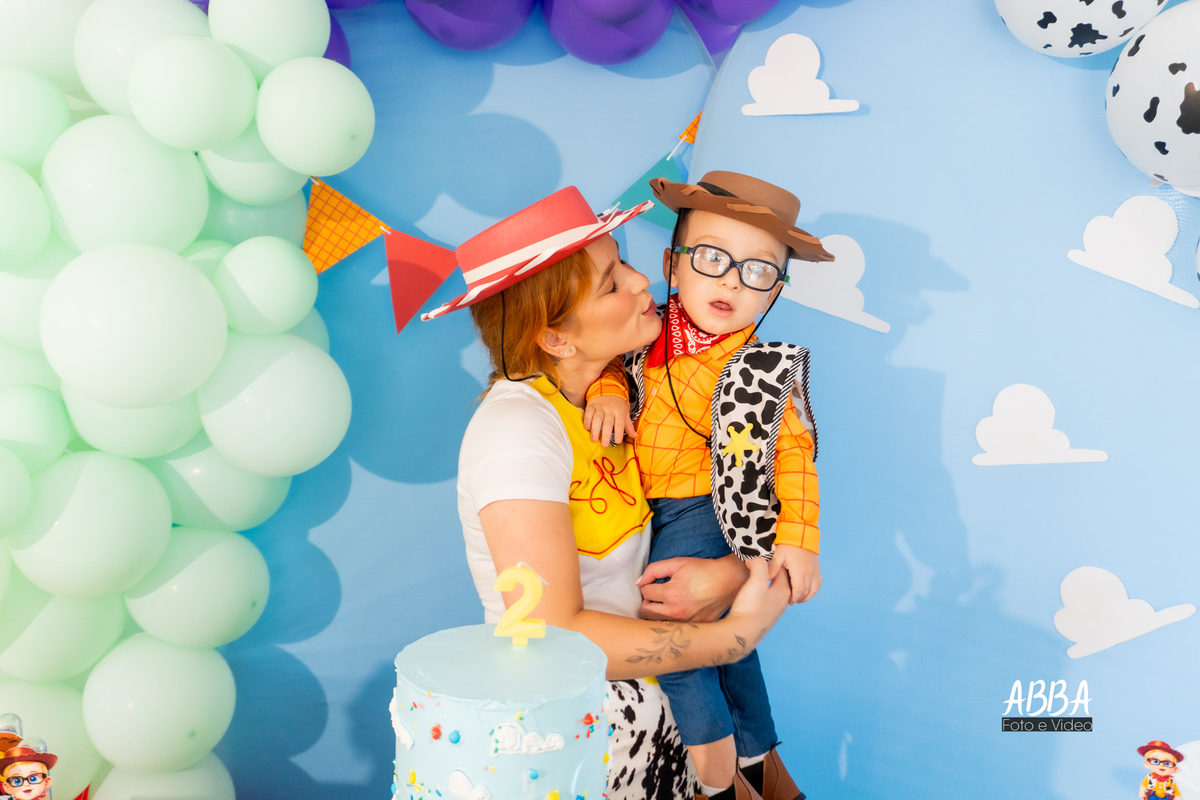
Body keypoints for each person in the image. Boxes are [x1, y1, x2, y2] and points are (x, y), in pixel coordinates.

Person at [415, 186, 791, 800]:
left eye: (626, 263)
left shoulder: (620, 395)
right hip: (578, 749)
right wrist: (732, 638)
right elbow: (552, 631)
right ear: (556, 338)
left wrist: (727, 576)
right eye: (613, 283)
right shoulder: (518, 429)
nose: (644, 282)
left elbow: (698, 519)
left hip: (660, 732)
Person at [582, 172, 835, 800]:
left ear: (775, 290)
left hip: (708, 508)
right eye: (713, 259)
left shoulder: (760, 366)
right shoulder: (646, 330)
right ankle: (762, 767)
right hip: (646, 509)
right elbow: (609, 365)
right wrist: (608, 391)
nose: (731, 282)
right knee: (730, 649)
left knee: (671, 637)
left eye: (758, 271)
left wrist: (800, 540)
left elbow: (795, 454)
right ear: (673, 264)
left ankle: (715, 784)